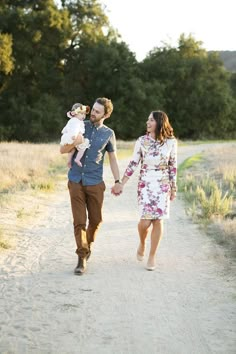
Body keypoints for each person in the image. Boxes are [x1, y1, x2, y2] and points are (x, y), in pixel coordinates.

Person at [60, 97, 121, 275]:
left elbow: (113, 159)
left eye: (96, 112)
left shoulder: (109, 133)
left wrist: (118, 182)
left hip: (95, 182)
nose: (92, 113)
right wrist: (75, 142)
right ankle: (81, 257)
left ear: (106, 115)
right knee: (79, 221)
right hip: (75, 180)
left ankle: (88, 245)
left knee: (96, 220)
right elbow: (62, 150)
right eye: (92, 109)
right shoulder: (78, 124)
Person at [112, 110, 177, 271]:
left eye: (151, 120)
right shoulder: (141, 141)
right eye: (147, 120)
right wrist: (121, 183)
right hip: (146, 184)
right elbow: (133, 163)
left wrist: (173, 188)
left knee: (158, 220)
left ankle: (152, 256)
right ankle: (142, 242)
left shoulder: (171, 142)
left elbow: (173, 166)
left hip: (163, 185)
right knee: (145, 222)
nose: (147, 123)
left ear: (160, 123)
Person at [60, 103, 90, 168]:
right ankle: (77, 159)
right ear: (76, 113)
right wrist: (74, 135)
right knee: (84, 144)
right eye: (81, 114)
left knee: (72, 149)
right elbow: (75, 129)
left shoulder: (73, 119)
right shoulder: (77, 121)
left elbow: (69, 126)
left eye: (84, 114)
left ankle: (69, 160)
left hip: (68, 137)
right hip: (75, 136)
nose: (84, 116)